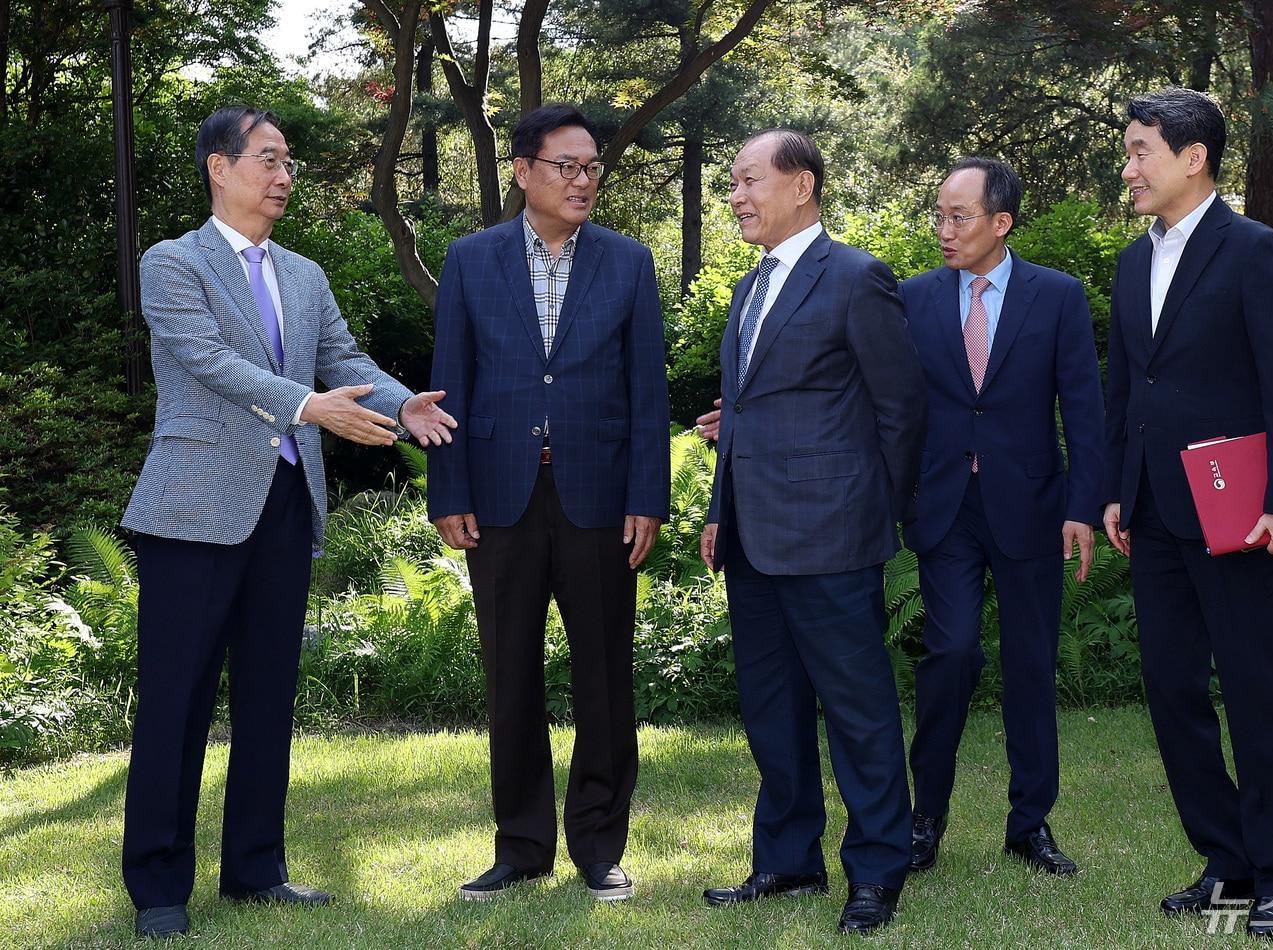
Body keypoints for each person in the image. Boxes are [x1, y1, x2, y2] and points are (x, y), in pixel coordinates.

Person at [121, 106, 457, 939]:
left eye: (289, 163)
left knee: (270, 692)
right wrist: (309, 406)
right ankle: (159, 887)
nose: (283, 176)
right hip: (191, 512)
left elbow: (341, 358)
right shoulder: (172, 263)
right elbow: (207, 360)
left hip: (283, 504)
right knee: (177, 697)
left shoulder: (303, 274)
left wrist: (397, 399)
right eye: (267, 159)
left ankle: (256, 871)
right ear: (219, 167)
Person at [427, 104, 670, 904]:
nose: (583, 180)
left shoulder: (630, 263)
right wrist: (448, 490)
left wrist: (648, 496)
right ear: (524, 172)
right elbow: (448, 380)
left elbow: (646, 391)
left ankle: (599, 845)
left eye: (593, 167)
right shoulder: (470, 259)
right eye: (566, 165)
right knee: (510, 679)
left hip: (601, 499)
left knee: (605, 675)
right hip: (498, 498)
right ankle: (521, 847)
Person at [1103, 88, 1273, 938]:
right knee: (1170, 690)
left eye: (1139, 151)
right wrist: (1117, 489)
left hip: (1243, 516)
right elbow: (1127, 386)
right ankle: (1226, 862)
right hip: (1155, 511)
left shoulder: (1253, 251)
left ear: (1193, 158)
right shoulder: (1132, 261)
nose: (1128, 168)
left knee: (1260, 691)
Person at [697, 129, 925, 935]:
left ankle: (877, 871)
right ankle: (788, 861)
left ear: (802, 184)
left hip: (834, 541)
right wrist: (720, 512)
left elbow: (901, 410)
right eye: (732, 183)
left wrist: (871, 512)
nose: (736, 196)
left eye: (749, 180)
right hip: (753, 543)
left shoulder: (857, 277)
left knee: (858, 711)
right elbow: (747, 413)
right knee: (772, 709)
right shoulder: (747, 290)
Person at [898, 157, 1104, 878]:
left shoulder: (1058, 296)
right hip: (945, 508)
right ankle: (923, 821)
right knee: (950, 654)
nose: (944, 230)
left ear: (1002, 222)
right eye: (939, 215)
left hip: (1033, 509)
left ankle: (1030, 824)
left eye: (959, 217)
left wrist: (1084, 506)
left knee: (1030, 666)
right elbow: (882, 398)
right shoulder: (912, 297)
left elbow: (1083, 409)